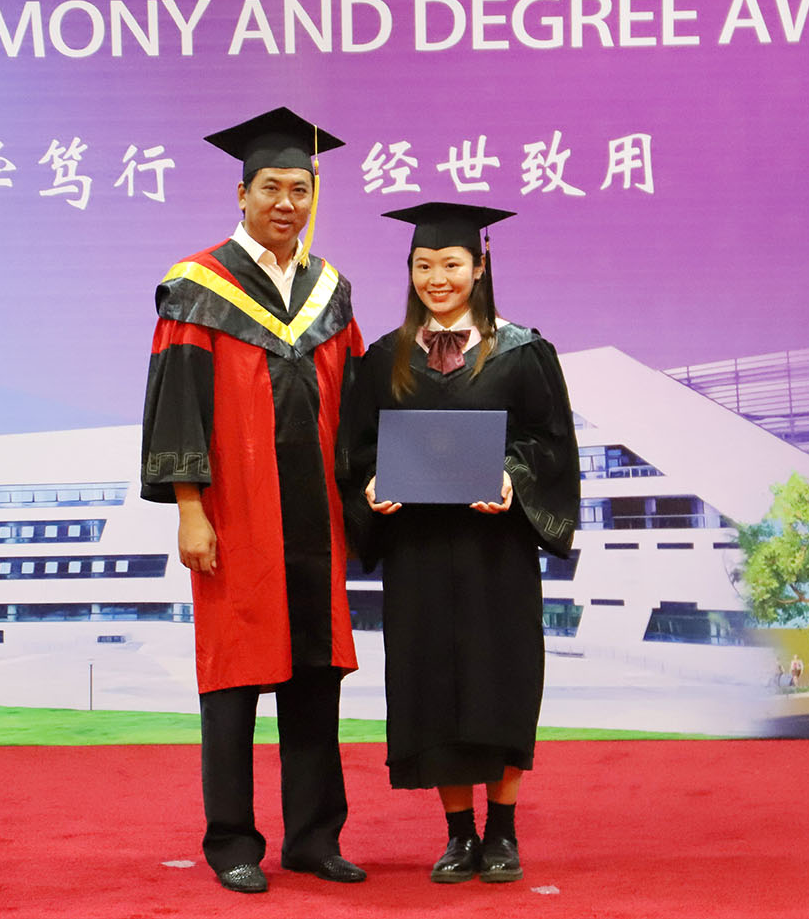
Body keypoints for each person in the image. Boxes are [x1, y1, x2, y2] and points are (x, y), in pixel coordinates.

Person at [139, 107, 365, 894]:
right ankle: (232, 840)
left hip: (315, 517)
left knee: (314, 681)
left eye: (299, 189)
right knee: (232, 682)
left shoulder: (329, 291)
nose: (285, 203)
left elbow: (356, 406)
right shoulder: (198, 287)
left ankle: (312, 838)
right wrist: (189, 508)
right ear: (242, 194)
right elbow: (178, 406)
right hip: (236, 516)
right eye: (270, 187)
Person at [340, 202, 580, 883]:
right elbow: (355, 449)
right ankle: (457, 835)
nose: (437, 279)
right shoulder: (384, 357)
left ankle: (501, 831)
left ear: (479, 266)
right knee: (431, 687)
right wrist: (372, 486)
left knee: (499, 680)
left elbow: (551, 445)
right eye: (424, 266)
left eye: (451, 264)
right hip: (417, 553)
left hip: (493, 553)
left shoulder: (522, 352)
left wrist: (511, 477)